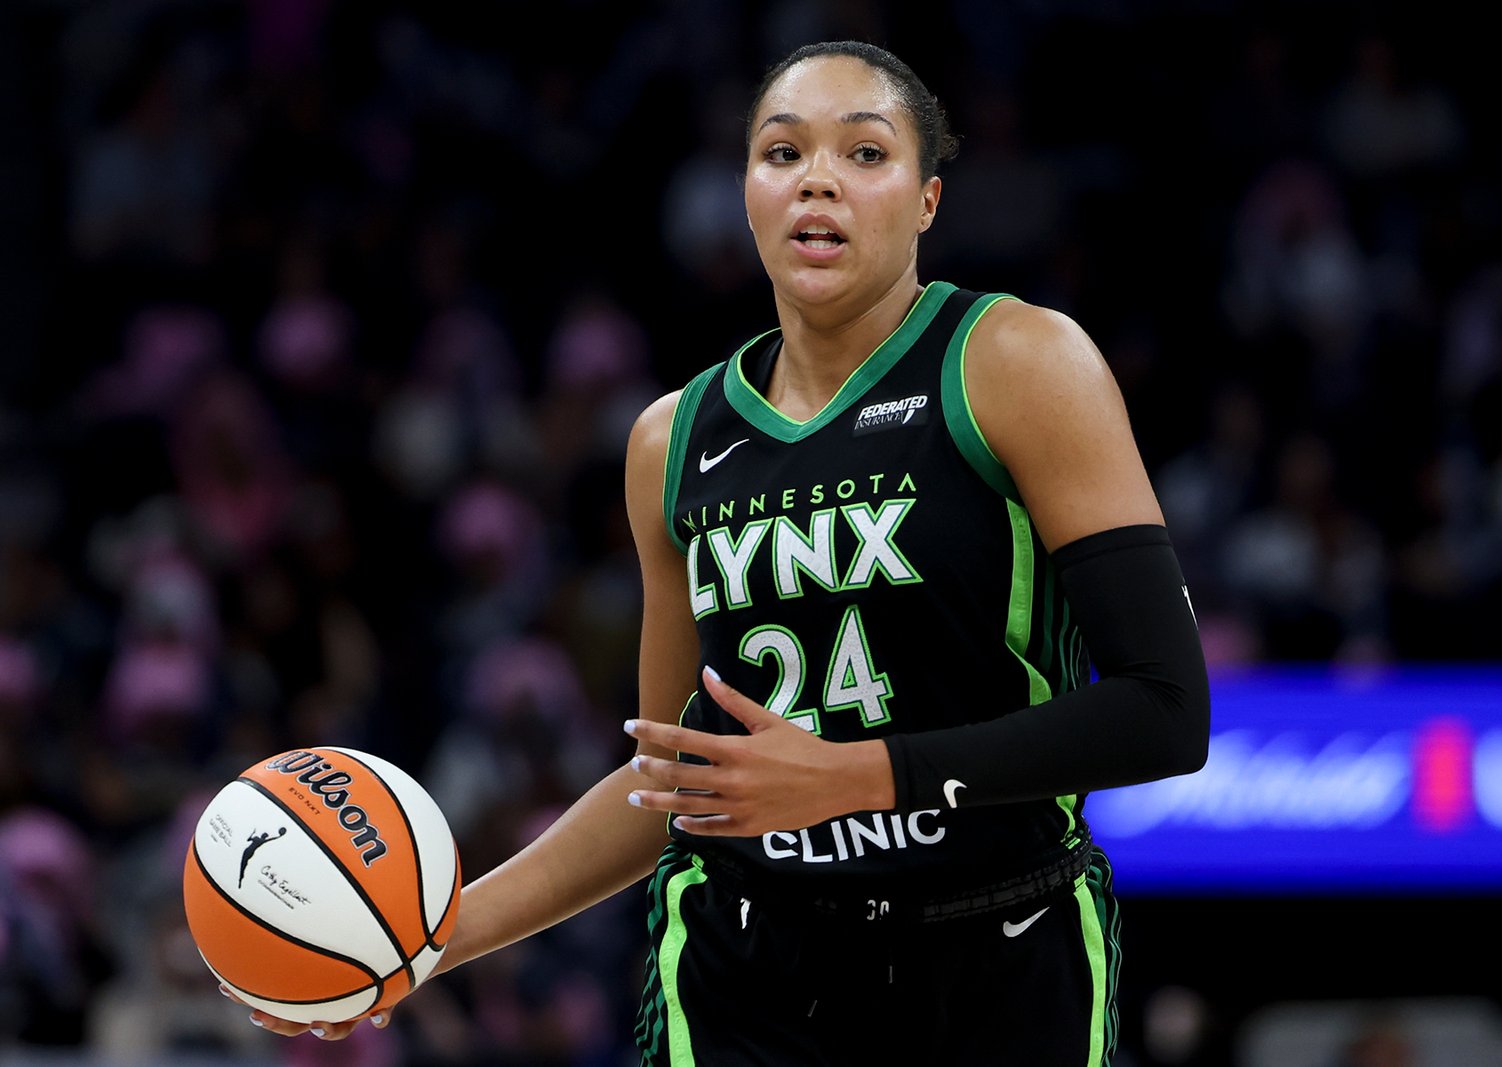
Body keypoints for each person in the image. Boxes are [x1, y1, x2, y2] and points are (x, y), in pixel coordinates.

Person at [228, 39, 1211, 1065]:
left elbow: (1163, 707)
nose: (817, 177)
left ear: (925, 199)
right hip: (751, 965)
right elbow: (671, 780)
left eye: (864, 153)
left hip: (999, 949)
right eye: (781, 152)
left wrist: (862, 774)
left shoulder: (1016, 361)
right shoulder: (671, 439)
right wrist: (435, 937)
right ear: (746, 193)